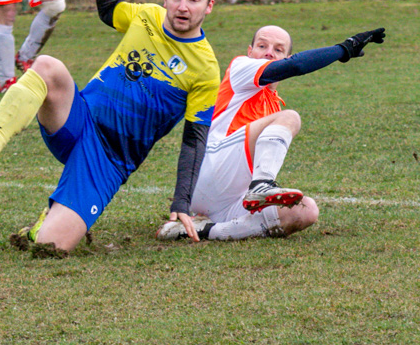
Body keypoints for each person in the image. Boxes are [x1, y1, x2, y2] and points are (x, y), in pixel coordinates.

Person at [0, 0, 221, 256]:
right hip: (79, 120)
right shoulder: (146, 16)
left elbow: (195, 139)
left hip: (110, 158)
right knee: (46, 65)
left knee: (50, 247)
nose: (183, 6)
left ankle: (43, 226)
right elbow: (108, 8)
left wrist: (181, 202)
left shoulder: (205, 68)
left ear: (209, 6)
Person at [156, 24, 386, 242]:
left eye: (278, 50)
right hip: (209, 169)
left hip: (230, 198)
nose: (269, 53)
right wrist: (344, 49)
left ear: (286, 56)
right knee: (291, 117)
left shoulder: (273, 106)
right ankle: (262, 186)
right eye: (262, 46)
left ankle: (206, 230)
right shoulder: (241, 67)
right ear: (250, 51)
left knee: (306, 211)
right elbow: (295, 66)